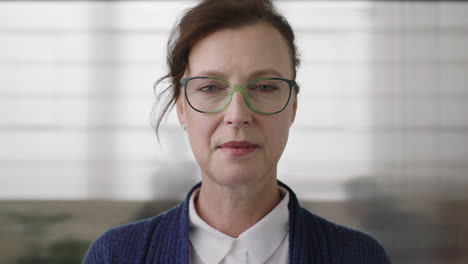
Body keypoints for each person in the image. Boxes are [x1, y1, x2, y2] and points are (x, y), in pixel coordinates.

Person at [83, 0, 392, 263]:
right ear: (181, 109)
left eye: (265, 86)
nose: (238, 114)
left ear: (293, 107)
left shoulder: (359, 256)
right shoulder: (117, 255)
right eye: (210, 87)